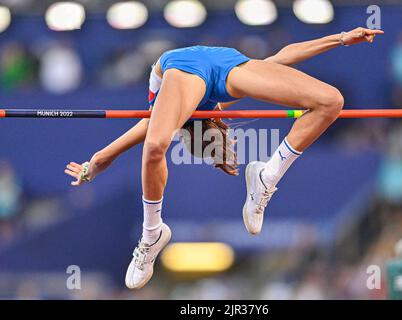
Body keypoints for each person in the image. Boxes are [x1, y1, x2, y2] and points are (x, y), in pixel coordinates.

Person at [64, 27, 384, 289]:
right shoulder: (185, 108)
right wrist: (93, 166)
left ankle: (266, 176)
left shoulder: (187, 108)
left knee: (331, 101)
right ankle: (153, 233)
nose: (225, 127)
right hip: (199, 70)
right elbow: (110, 154)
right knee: (154, 146)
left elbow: (282, 57)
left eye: (218, 132)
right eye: (221, 133)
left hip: (219, 66)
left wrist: (341, 38)